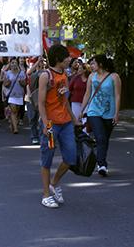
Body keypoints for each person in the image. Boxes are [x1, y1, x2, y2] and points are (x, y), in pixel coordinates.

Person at [38, 44, 79, 208]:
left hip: (66, 123)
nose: (70, 59)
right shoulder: (45, 76)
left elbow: (65, 100)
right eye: (67, 57)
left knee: (70, 157)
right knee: (47, 159)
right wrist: (45, 123)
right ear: (58, 59)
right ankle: (46, 195)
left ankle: (53, 184)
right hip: (51, 125)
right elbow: (40, 103)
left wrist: (73, 118)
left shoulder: (65, 75)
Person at [79, 54, 121, 177]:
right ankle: (102, 165)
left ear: (101, 64)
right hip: (94, 111)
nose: (91, 66)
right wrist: (82, 110)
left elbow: (118, 95)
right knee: (100, 137)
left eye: (93, 63)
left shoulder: (114, 77)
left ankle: (101, 162)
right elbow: (87, 93)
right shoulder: (92, 77)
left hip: (109, 112)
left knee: (105, 139)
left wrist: (117, 113)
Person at [1, 58, 27, 134]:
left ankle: (13, 123)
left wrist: (21, 82)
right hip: (11, 94)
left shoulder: (22, 73)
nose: (14, 64)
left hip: (19, 94)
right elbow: (5, 84)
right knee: (13, 110)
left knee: (17, 110)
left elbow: (24, 84)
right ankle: (16, 129)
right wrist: (8, 82)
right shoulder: (8, 73)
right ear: (10, 64)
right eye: (12, 63)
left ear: (17, 64)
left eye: (15, 63)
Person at [27, 56, 46, 144]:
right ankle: (34, 136)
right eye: (40, 62)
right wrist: (37, 62)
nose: (42, 63)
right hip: (32, 98)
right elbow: (29, 73)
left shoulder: (47, 73)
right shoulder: (33, 73)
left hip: (44, 99)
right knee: (33, 118)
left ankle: (45, 137)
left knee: (44, 118)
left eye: (43, 62)